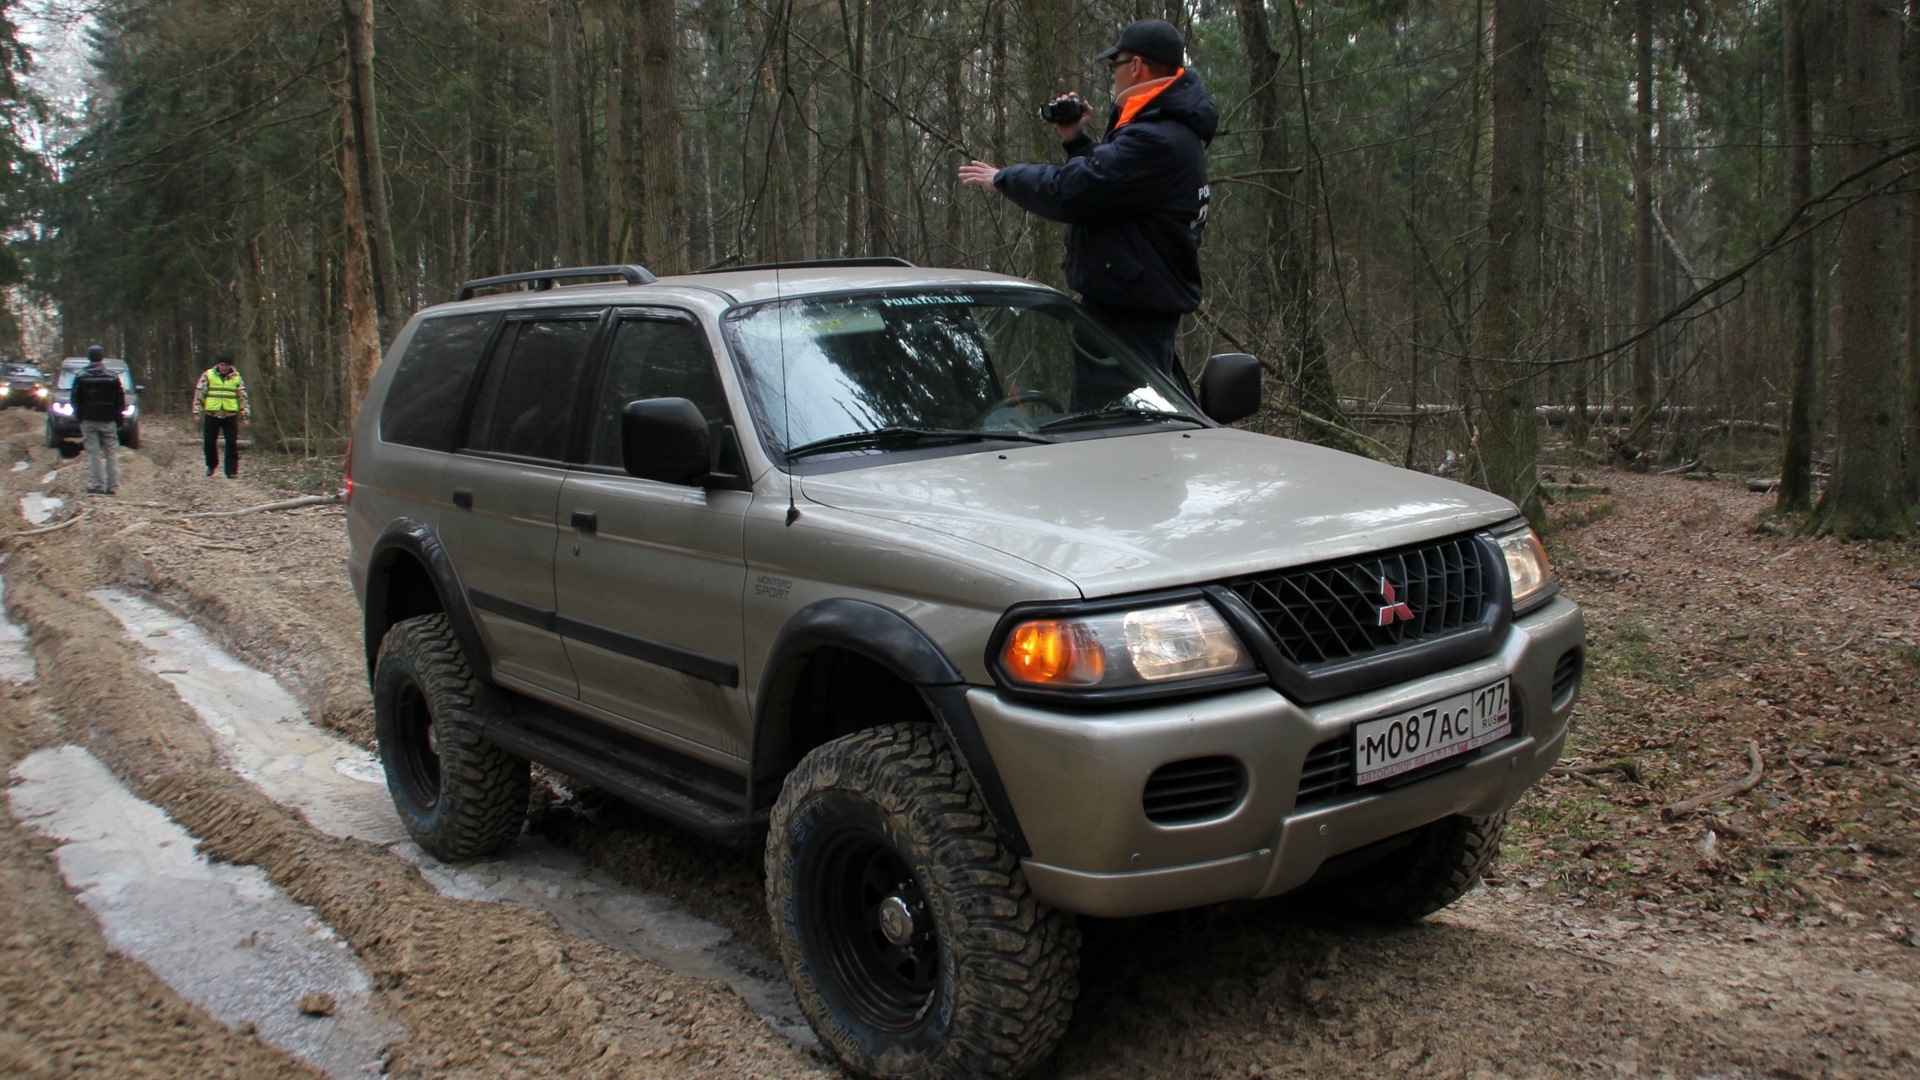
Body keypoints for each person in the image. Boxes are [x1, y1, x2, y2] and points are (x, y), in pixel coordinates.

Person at [958, 18, 1218, 381]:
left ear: (1137, 66)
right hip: (1131, 310)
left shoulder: (1155, 138)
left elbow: (1072, 191)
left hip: (1128, 319)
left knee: (1119, 432)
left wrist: (1003, 177)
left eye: (1115, 66)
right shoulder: (1164, 129)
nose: (1113, 75)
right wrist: (1076, 140)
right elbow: (1110, 189)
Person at [72, 345, 125, 495]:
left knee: (93, 452)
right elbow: (120, 401)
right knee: (111, 452)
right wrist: (117, 417)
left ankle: (97, 485)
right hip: (108, 420)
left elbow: (75, 400)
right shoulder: (112, 377)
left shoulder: (81, 376)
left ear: (89, 357)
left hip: (89, 420)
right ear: (102, 357)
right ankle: (113, 486)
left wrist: (80, 417)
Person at [192, 353, 250, 477]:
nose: (224, 367)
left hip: (230, 414)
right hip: (212, 413)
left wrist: (245, 415)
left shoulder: (236, 378)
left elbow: (242, 397)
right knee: (209, 441)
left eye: (226, 365)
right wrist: (197, 411)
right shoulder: (208, 375)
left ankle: (231, 471)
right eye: (222, 365)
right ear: (218, 364)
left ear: (230, 366)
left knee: (231, 442)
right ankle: (211, 464)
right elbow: (200, 393)